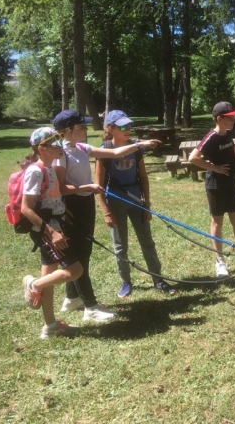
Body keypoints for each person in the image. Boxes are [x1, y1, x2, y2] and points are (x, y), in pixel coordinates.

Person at [52, 110, 161, 320]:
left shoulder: (81, 148)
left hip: (84, 203)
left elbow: (114, 154)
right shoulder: (61, 155)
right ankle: (91, 308)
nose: (86, 128)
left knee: (83, 252)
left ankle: (72, 297)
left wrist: (140, 145)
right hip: (71, 205)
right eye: (81, 126)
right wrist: (90, 186)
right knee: (80, 255)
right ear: (68, 131)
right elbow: (61, 188)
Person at [95, 111, 176, 297]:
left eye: (129, 126)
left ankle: (158, 279)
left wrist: (147, 205)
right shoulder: (105, 150)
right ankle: (125, 282)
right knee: (120, 245)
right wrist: (106, 211)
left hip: (136, 199)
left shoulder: (135, 147)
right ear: (110, 129)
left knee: (147, 241)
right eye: (122, 127)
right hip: (115, 201)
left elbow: (144, 178)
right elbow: (98, 185)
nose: (127, 130)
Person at [21, 127, 84, 339]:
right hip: (47, 230)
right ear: (42, 148)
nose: (60, 146)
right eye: (54, 143)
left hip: (55, 226)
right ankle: (33, 285)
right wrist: (52, 232)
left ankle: (51, 327)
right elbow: (26, 208)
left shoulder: (49, 169)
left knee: (49, 277)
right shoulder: (35, 171)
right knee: (74, 270)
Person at [189, 102, 235, 277]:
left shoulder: (228, 134)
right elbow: (193, 158)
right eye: (230, 118)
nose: (234, 120)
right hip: (215, 185)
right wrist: (215, 168)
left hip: (230, 183)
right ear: (219, 118)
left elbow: (232, 151)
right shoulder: (211, 137)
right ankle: (220, 262)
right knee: (217, 222)